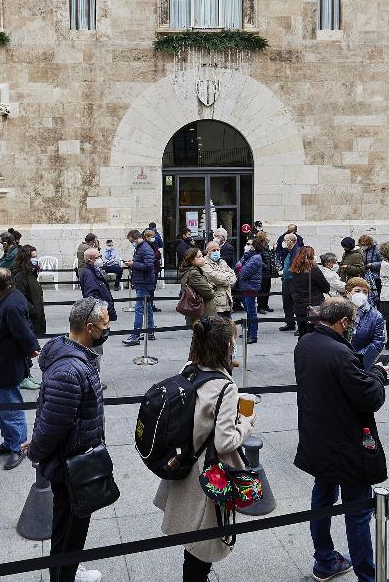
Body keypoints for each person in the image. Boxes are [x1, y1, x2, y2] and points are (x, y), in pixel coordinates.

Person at [294, 298, 388, 582]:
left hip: (317, 437)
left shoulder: (305, 343)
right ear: (343, 322)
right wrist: (378, 373)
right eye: (352, 322)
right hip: (346, 444)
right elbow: (370, 397)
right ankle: (368, 576)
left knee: (322, 498)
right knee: (357, 511)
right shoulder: (340, 354)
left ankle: (324, 559)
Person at [154, 316, 253, 582]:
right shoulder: (225, 386)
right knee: (203, 544)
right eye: (232, 339)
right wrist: (246, 424)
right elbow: (225, 442)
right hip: (207, 472)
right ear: (224, 345)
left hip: (184, 460)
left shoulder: (188, 368)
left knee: (193, 537)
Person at [27, 298, 110, 582]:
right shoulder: (69, 371)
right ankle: (63, 575)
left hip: (77, 458)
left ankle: (69, 569)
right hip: (71, 464)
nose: (107, 328)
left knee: (74, 525)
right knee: (68, 529)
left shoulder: (77, 356)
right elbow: (54, 424)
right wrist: (36, 451)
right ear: (88, 328)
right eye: (104, 324)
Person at [0, 267, 40, 470]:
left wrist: (32, 349)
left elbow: (22, 331)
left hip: (5, 364)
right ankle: (9, 441)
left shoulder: (11, 303)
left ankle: (19, 446)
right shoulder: (4, 297)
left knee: (11, 406)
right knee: (5, 406)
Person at [13, 244, 47, 391]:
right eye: (33, 257)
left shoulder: (31, 273)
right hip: (28, 317)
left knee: (29, 347)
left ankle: (27, 375)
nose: (35, 259)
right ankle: (23, 377)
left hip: (34, 316)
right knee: (26, 348)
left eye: (36, 256)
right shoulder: (20, 275)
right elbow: (21, 297)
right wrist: (32, 311)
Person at [122, 229, 158, 346]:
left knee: (139, 308)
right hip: (143, 281)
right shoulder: (141, 247)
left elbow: (148, 265)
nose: (131, 243)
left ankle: (135, 335)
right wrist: (133, 262)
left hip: (144, 282)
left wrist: (133, 264)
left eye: (131, 241)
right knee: (147, 307)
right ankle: (150, 332)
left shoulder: (145, 248)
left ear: (136, 238)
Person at [345, 279, 386, 370]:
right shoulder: (339, 311)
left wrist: (358, 356)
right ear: (348, 293)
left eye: (365, 292)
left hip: (362, 362)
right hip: (339, 359)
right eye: (357, 291)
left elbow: (378, 342)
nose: (361, 295)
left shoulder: (376, 316)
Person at [288, 245, 328, 337]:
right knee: (314, 335)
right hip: (313, 306)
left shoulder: (294, 269)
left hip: (299, 305)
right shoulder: (313, 269)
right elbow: (326, 288)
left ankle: (301, 350)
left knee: (302, 333)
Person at [178, 248, 217, 327]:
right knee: (204, 336)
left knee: (198, 336)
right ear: (191, 260)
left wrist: (209, 286)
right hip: (203, 312)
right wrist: (211, 288)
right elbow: (209, 293)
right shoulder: (193, 273)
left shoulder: (190, 271)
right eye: (199, 257)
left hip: (197, 312)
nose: (202, 258)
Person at [236, 238, 264, 343]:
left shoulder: (256, 258)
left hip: (250, 287)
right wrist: (240, 268)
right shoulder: (248, 256)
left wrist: (240, 269)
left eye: (249, 244)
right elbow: (237, 266)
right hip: (245, 287)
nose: (246, 245)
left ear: (254, 246)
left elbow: (244, 272)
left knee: (252, 312)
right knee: (248, 311)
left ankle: (253, 335)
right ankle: (249, 332)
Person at [278, 233, 301, 332]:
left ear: (291, 241)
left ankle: (301, 326)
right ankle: (290, 323)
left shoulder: (297, 251)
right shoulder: (289, 251)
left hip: (293, 281)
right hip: (286, 280)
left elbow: (296, 267)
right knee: (287, 303)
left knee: (296, 304)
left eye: (285, 240)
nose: (283, 242)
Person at [256, 231, 276, 314]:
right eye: (266, 236)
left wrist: (273, 250)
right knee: (262, 290)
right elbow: (259, 259)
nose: (268, 237)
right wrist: (266, 266)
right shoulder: (259, 246)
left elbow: (269, 256)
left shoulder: (266, 246)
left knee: (267, 289)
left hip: (268, 271)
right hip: (263, 272)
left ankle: (265, 305)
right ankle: (260, 306)